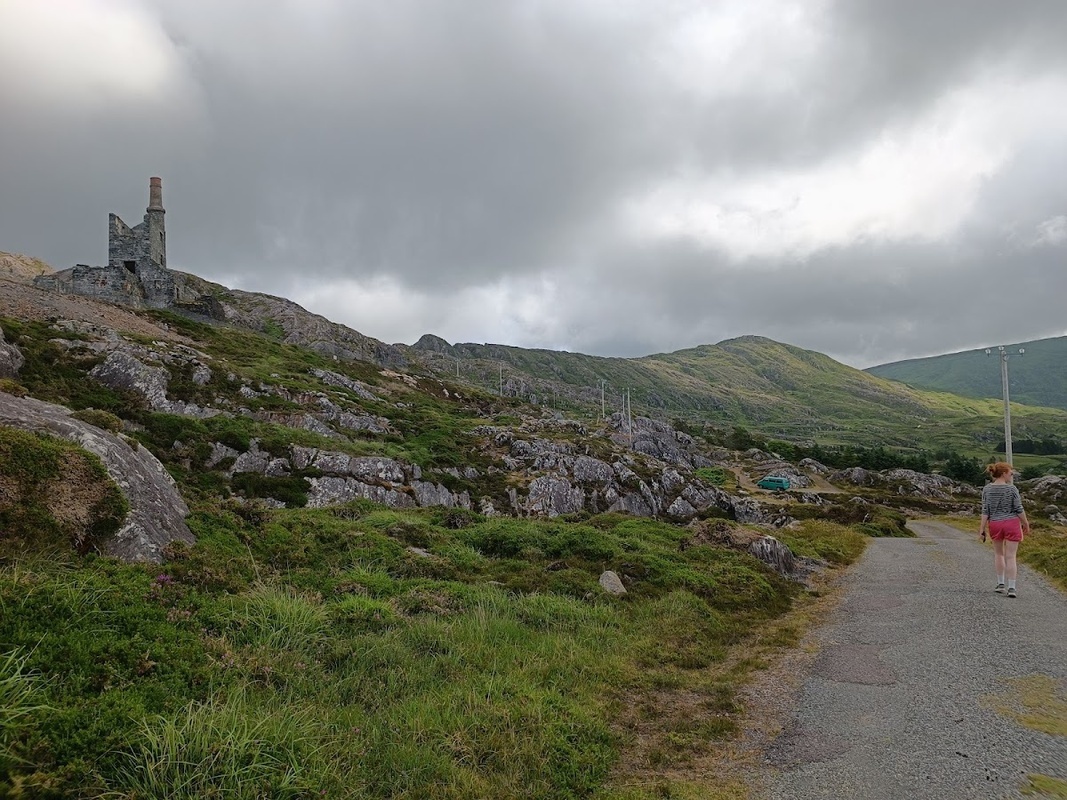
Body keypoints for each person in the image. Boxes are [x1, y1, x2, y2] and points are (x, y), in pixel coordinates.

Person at [979, 462, 1030, 598]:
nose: (1011, 474)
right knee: (1011, 556)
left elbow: (985, 510)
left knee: (998, 554)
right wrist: (1025, 523)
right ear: (1003, 473)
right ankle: (1012, 587)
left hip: (995, 522)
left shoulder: (987, 489)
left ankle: (1000, 584)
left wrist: (982, 528)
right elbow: (1019, 509)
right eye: (1010, 472)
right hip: (1011, 522)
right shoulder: (1011, 489)